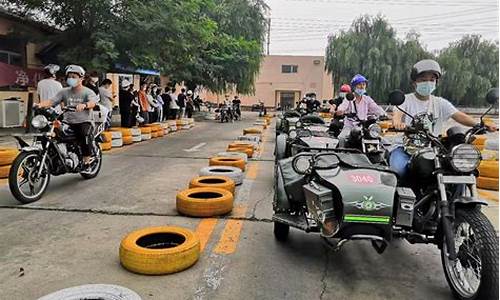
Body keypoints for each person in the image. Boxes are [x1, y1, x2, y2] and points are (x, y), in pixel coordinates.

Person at [390, 59, 497, 177]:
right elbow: (397, 114)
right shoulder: (406, 100)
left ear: (436, 83)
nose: (428, 83)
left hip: (434, 150)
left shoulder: (440, 103)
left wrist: (480, 125)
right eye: (423, 80)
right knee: (398, 172)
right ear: (414, 83)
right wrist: (397, 123)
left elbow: (459, 116)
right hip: (405, 149)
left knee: (457, 170)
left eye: (432, 80)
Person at [38, 65, 98, 165]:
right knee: (49, 132)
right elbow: (51, 101)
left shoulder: (88, 92)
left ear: (81, 78)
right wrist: (39, 105)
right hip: (67, 121)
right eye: (69, 77)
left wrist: (85, 105)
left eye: (74, 77)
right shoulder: (64, 92)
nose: (71, 79)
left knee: (84, 134)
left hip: (83, 121)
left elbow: (93, 102)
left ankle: (87, 159)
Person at [336, 74, 385, 147]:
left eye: (364, 84)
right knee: (342, 138)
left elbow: (376, 108)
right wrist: (340, 111)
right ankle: (341, 154)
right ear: (354, 86)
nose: (362, 86)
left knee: (381, 140)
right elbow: (342, 107)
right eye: (359, 84)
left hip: (364, 127)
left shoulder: (367, 99)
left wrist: (384, 114)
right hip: (350, 127)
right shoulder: (349, 98)